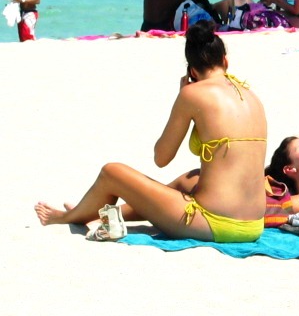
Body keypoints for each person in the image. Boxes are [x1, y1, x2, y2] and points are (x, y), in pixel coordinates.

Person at [34, 20, 268, 243]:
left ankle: (66, 217)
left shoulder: (192, 94)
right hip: (254, 225)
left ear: (192, 72)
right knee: (188, 180)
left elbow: (161, 158)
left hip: (215, 224)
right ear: (225, 61)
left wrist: (182, 96)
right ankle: (100, 213)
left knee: (111, 172)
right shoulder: (251, 96)